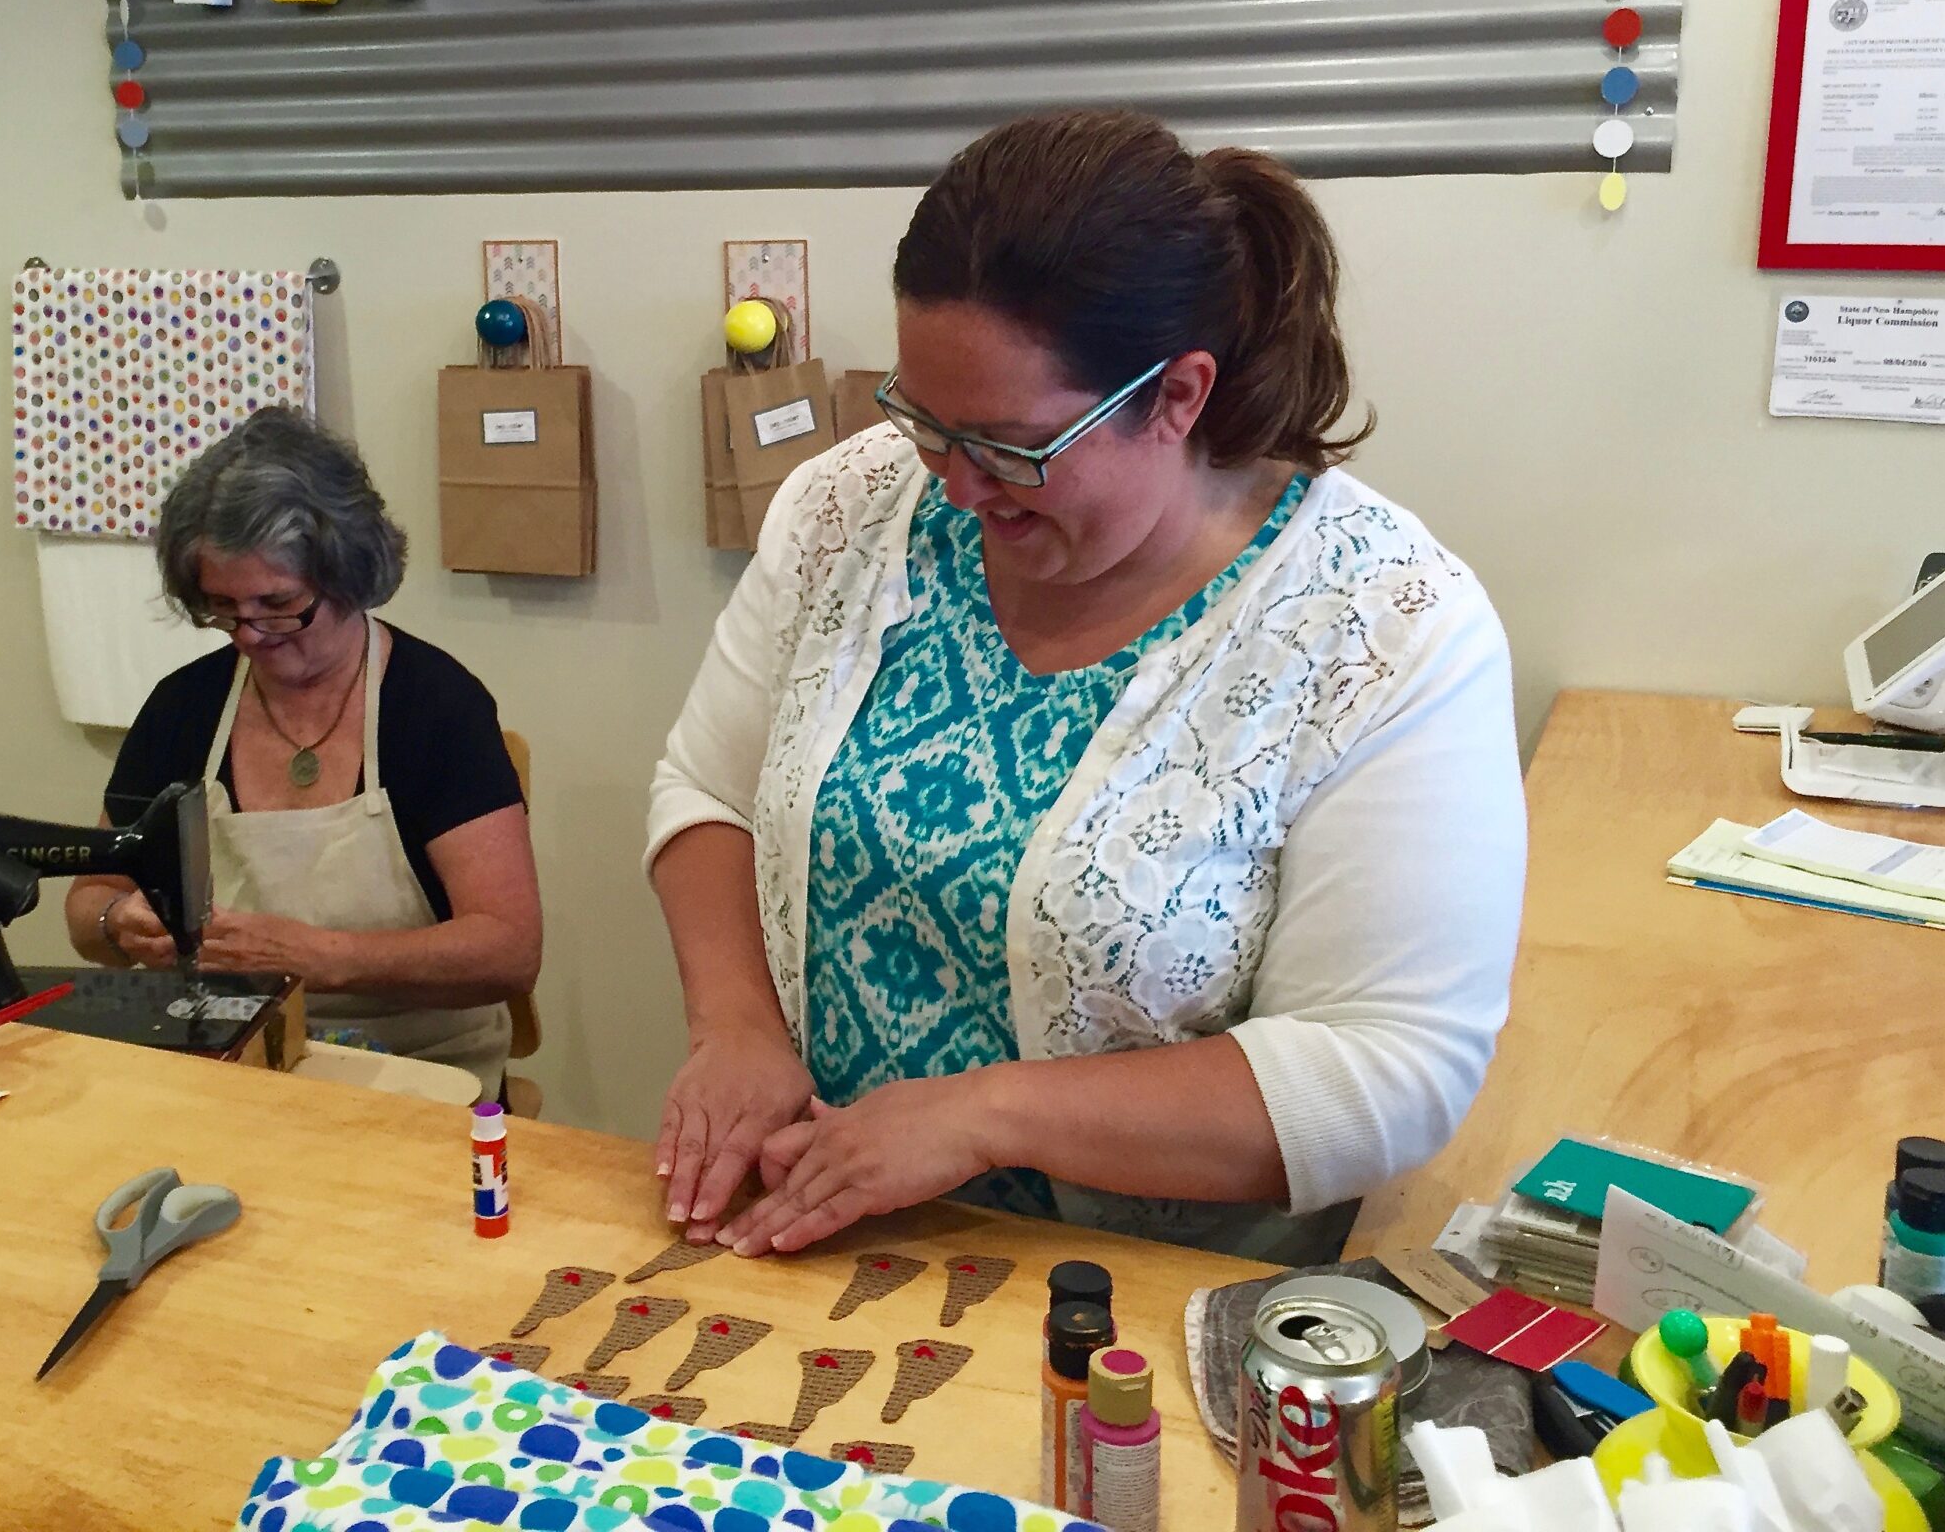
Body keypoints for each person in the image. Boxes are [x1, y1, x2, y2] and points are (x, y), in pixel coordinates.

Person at [645, 110, 1526, 1265]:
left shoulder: (1382, 627)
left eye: (1012, 447)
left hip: (1142, 1307)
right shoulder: (850, 511)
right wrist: (735, 1030)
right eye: (923, 419)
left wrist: (980, 1116)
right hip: (822, 1235)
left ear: (1177, 397)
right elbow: (707, 789)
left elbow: (1384, 1071)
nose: (958, 489)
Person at [66, 407, 540, 1100]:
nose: (252, 635)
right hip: (227, 1067)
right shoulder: (184, 709)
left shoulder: (435, 708)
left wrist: (324, 959)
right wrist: (119, 925)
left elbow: (509, 949)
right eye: (223, 608)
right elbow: (89, 906)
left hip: (418, 1078)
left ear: (348, 574)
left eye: (279, 604)